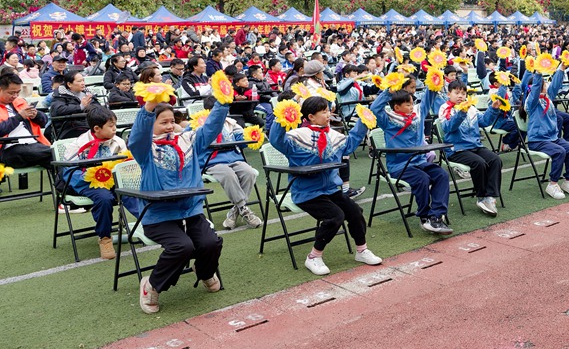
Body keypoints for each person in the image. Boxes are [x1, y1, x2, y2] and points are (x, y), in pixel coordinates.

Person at [128, 95, 228, 314]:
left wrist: (222, 102)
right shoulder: (146, 149)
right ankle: (151, 286)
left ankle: (204, 271)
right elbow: (136, 139)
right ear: (150, 125)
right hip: (158, 215)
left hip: (190, 210)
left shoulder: (188, 140)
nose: (169, 126)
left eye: (171, 121)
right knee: (182, 246)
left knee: (211, 243)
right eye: (162, 122)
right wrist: (147, 110)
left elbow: (210, 128)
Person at [269, 96, 382, 275]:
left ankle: (361, 250)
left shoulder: (334, 135)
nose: (328, 114)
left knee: (355, 212)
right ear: (310, 117)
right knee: (335, 216)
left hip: (330, 190)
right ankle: (313, 257)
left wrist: (363, 121)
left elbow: (350, 144)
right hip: (306, 193)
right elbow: (276, 140)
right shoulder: (296, 136)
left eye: (328, 110)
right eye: (324, 112)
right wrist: (282, 118)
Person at [370, 84, 452, 234]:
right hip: (399, 167)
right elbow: (374, 109)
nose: (412, 106)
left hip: (419, 162)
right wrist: (388, 93)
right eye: (408, 104)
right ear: (396, 107)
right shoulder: (388, 120)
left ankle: (436, 216)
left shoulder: (417, 115)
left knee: (441, 175)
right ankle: (424, 216)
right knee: (423, 179)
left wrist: (433, 83)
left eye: (412, 103)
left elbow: (427, 99)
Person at [62, 105, 134, 260]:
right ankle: (105, 237)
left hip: (113, 179)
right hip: (87, 181)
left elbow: (123, 163)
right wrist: (89, 179)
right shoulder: (80, 144)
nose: (115, 129)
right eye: (111, 126)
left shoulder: (118, 142)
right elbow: (68, 169)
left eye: (115, 124)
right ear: (97, 128)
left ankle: (150, 223)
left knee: (130, 193)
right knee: (104, 198)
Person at [438, 80, 504, 216]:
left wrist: (493, 108)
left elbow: (484, 121)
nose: (460, 96)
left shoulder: (471, 108)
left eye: (463, 93)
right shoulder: (445, 108)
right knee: (478, 163)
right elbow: (448, 127)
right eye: (456, 93)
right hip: (456, 149)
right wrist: (461, 113)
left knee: (496, 160)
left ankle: (490, 196)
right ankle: (481, 197)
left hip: (474, 146)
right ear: (449, 94)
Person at [195, 96, 262, 230]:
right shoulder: (198, 123)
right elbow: (192, 142)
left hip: (234, 158)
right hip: (212, 162)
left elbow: (241, 140)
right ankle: (244, 209)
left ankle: (235, 211)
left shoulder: (230, 122)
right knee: (228, 175)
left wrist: (249, 136)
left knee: (249, 173)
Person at [520, 68, 569, 199]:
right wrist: (538, 74)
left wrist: (561, 69)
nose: (547, 85)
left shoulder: (547, 98)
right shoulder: (531, 102)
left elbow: (556, 85)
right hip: (537, 140)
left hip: (552, 138)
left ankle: (568, 181)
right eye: (544, 84)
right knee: (560, 152)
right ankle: (552, 184)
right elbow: (535, 90)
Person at [0, 73, 52, 169]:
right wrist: (19, 117)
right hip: (9, 149)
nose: (15, 96)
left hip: (33, 144)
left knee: (54, 161)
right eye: (11, 93)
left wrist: (36, 115)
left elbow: (44, 121)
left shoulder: (20, 102)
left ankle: (66, 182)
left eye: (18, 92)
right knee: (54, 154)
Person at [50, 71, 100, 141]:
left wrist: (89, 107)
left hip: (89, 125)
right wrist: (80, 107)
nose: (83, 83)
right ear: (69, 84)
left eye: (83, 80)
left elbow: (98, 107)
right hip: (70, 128)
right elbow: (58, 110)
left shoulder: (88, 93)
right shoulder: (60, 95)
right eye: (79, 81)